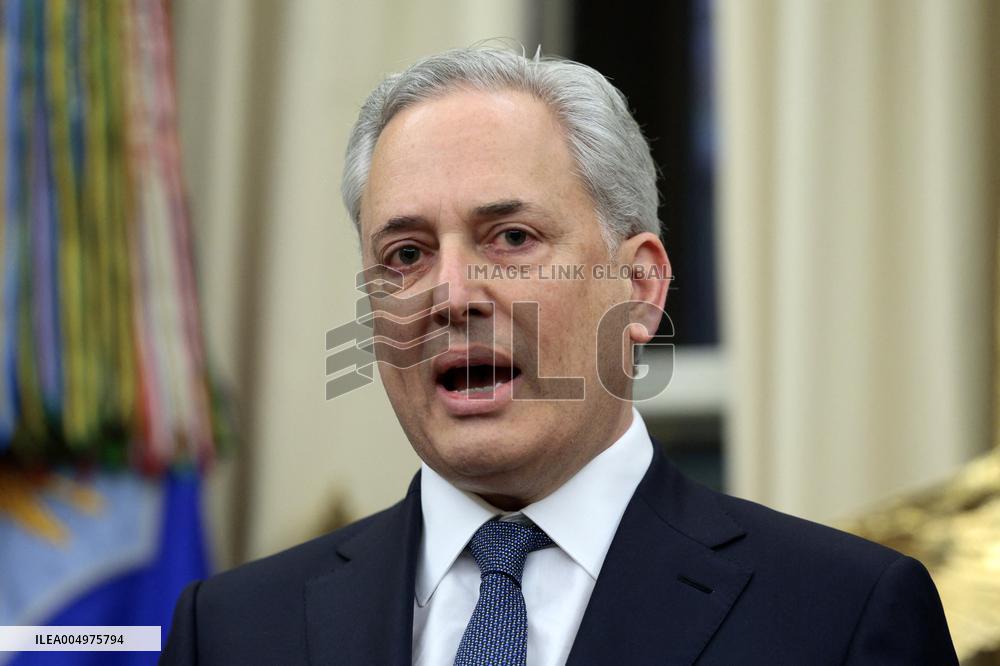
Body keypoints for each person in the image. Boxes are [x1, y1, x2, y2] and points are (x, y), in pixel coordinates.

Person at [161, 46, 958, 665]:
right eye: (404, 254)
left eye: (511, 238)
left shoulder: (839, 615)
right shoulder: (231, 629)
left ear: (641, 287)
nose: (450, 294)